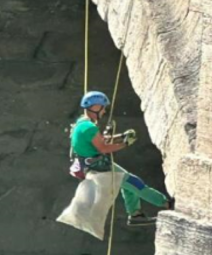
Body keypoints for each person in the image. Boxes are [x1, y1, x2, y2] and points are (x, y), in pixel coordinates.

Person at [69, 90, 173, 226]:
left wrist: (120, 136)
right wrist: (125, 144)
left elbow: (99, 141)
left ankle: (135, 215)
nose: (104, 111)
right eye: (103, 108)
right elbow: (103, 148)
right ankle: (167, 204)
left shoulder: (81, 124)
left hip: (94, 166)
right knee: (135, 183)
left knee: (129, 185)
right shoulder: (89, 128)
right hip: (99, 168)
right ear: (95, 107)